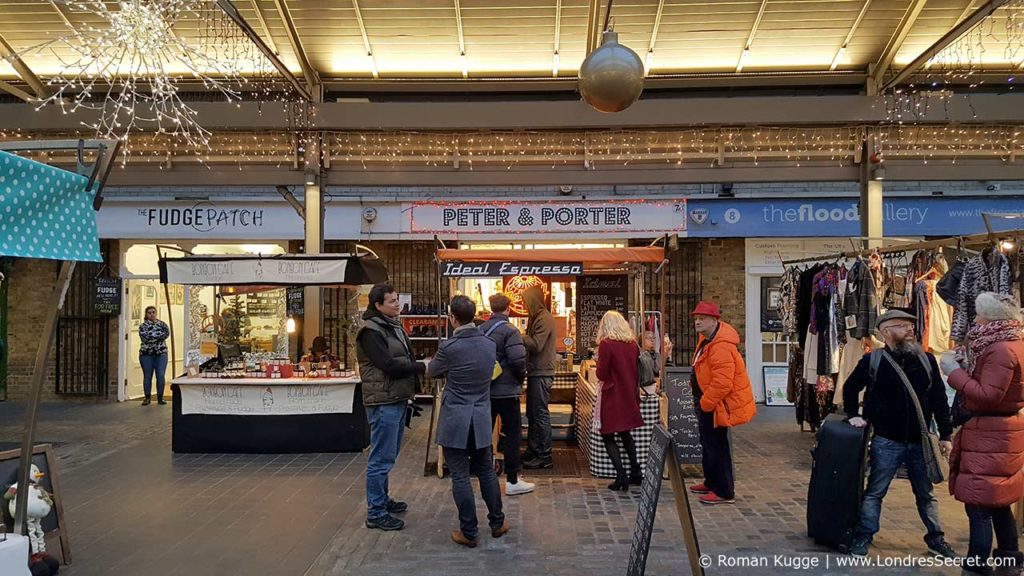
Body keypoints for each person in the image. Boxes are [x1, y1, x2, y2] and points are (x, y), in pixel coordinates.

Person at [843, 309, 957, 558]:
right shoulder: (873, 361)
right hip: (886, 439)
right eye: (902, 325)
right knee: (875, 491)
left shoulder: (926, 360)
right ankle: (864, 536)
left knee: (926, 494)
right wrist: (853, 415)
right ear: (886, 332)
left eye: (911, 325)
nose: (910, 329)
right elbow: (850, 387)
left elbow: (939, 399)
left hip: (920, 440)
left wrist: (946, 435)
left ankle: (936, 538)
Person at [939, 293, 1024, 575]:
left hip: (990, 433)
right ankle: (1009, 563)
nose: (974, 320)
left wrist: (954, 373)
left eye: (978, 315)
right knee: (998, 502)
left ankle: (976, 567)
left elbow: (988, 395)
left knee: (978, 506)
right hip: (1002, 432)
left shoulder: (1000, 349)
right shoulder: (1013, 343)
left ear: (990, 318)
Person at [429, 295, 508, 547]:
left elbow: (432, 371)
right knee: (486, 471)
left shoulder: (449, 348)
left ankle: (469, 531)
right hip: (481, 416)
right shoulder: (488, 344)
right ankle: (497, 522)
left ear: (452, 318)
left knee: (460, 476)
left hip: (456, 417)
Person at [356, 284, 426, 532]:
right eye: (392, 301)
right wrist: (421, 367)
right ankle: (375, 511)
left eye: (397, 299)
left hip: (395, 397)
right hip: (382, 400)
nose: (397, 304)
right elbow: (388, 364)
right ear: (378, 305)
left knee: (390, 453)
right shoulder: (371, 332)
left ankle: (382, 499)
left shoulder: (391, 326)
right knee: (380, 457)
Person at [689, 301, 756, 505]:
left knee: (717, 445)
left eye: (702, 318)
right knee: (708, 444)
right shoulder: (707, 340)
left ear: (714, 320)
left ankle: (724, 491)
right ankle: (711, 481)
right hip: (707, 401)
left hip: (715, 404)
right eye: (696, 318)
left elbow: (722, 383)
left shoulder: (721, 346)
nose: (698, 321)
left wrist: (706, 403)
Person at [479, 293, 535, 496]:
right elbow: (518, 360)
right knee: (512, 434)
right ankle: (512, 480)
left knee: (485, 433)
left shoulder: (481, 329)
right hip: (507, 391)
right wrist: (520, 379)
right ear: (508, 309)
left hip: (486, 389)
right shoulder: (511, 331)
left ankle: (485, 473)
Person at [594, 310, 645, 491]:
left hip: (612, 396)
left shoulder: (606, 344)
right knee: (625, 433)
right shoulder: (631, 344)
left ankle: (621, 475)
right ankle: (636, 471)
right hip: (628, 393)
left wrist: (597, 364)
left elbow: (602, 373)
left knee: (607, 435)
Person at [521, 285, 556, 470]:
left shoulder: (544, 318)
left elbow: (537, 345)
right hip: (536, 371)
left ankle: (544, 456)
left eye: (527, 302)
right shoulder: (536, 317)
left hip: (542, 372)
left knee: (540, 414)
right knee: (533, 414)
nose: (525, 305)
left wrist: (520, 336)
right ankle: (533, 450)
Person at [138, 305, 170, 406]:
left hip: (161, 353)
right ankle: (147, 397)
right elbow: (146, 338)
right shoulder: (143, 326)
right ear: (146, 315)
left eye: (153, 312)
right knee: (147, 376)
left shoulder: (162, 324)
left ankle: (160, 397)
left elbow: (166, 333)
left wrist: (154, 336)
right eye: (149, 313)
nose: (152, 314)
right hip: (147, 354)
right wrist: (158, 337)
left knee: (160, 375)